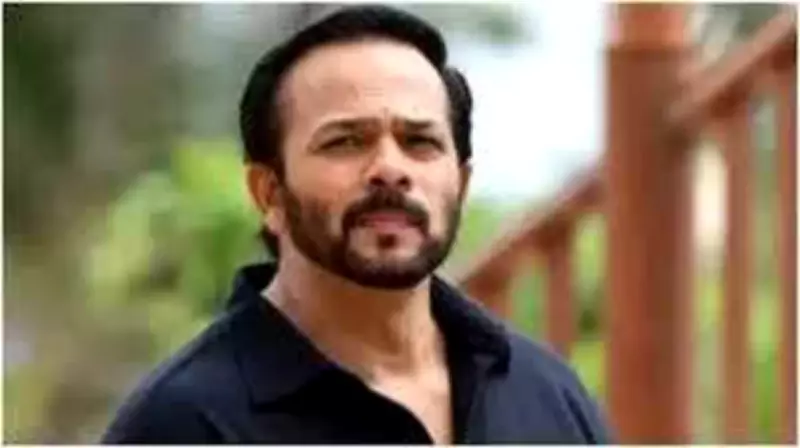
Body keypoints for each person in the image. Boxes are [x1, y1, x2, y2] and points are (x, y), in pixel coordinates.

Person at [102, 4, 612, 444]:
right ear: (269, 193)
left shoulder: (546, 394)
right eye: (345, 141)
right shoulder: (183, 422)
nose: (390, 168)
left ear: (460, 183)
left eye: (420, 141)